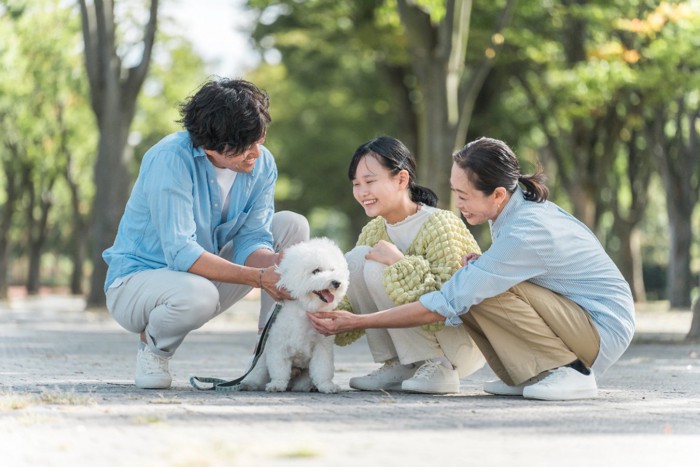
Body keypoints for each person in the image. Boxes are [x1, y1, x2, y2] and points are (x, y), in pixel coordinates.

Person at [309, 136, 635, 401]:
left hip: (599, 328)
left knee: (473, 287)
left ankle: (572, 371)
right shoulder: (510, 210)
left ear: (497, 194)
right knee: (477, 280)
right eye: (455, 192)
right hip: (576, 315)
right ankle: (532, 372)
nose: (458, 203)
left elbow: (446, 302)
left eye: (464, 195)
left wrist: (361, 322)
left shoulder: (527, 230)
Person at [103, 78, 309, 389]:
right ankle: (154, 349)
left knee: (293, 225)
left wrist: (277, 263)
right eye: (244, 148)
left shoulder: (262, 164)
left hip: (199, 275)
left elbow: (252, 238)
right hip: (137, 282)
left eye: (259, 139)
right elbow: (181, 252)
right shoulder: (170, 159)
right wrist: (259, 278)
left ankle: (274, 354)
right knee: (198, 294)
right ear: (210, 147)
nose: (256, 153)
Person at [336, 136, 485, 395]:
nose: (362, 192)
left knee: (376, 266)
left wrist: (399, 263)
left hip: (459, 343)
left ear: (402, 179)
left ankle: (437, 367)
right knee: (357, 259)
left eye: (370, 181)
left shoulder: (441, 224)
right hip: (419, 341)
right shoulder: (374, 230)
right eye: (356, 184)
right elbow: (354, 299)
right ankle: (398, 364)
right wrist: (321, 307)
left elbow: (448, 301)